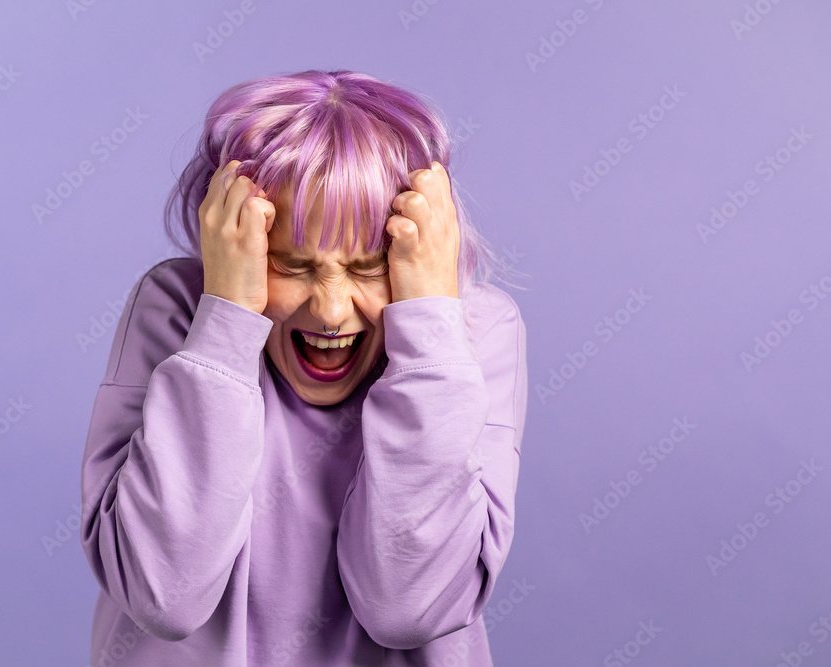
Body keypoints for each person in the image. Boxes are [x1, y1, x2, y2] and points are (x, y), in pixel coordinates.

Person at [80, 69, 528, 666]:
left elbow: (409, 607)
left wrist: (427, 327)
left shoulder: (472, 334)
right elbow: (164, 595)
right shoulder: (180, 312)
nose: (331, 310)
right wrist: (228, 320)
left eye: (370, 266)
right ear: (238, 242)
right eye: (291, 266)